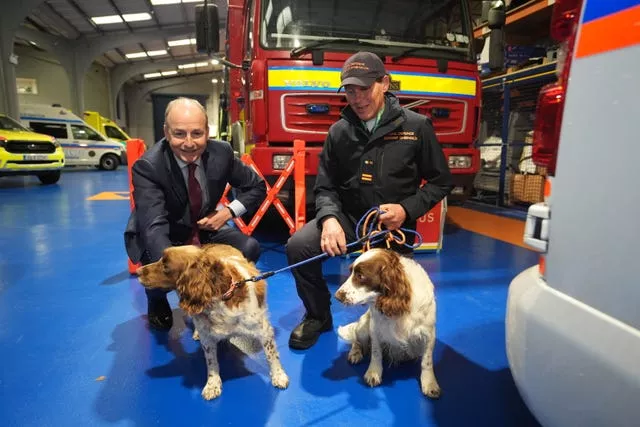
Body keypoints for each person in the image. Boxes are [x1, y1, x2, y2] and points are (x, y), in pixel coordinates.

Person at [285, 51, 454, 350]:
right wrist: (330, 220)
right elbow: (325, 187)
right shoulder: (338, 132)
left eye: (365, 88)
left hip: (392, 228)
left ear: (384, 83)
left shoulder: (417, 127)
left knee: (399, 314)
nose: (357, 97)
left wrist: (406, 209)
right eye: (350, 90)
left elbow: (442, 181)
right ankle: (318, 315)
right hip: (350, 221)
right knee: (299, 246)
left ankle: (387, 329)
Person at [124, 97, 267, 331]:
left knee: (249, 247)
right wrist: (183, 266)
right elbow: (154, 226)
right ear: (166, 132)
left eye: (197, 133)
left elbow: (257, 186)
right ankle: (157, 301)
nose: (189, 143)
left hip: (204, 226)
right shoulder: (149, 166)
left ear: (208, 131)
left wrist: (227, 212)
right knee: (156, 263)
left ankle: (215, 296)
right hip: (165, 231)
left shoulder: (222, 152)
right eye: (179, 134)